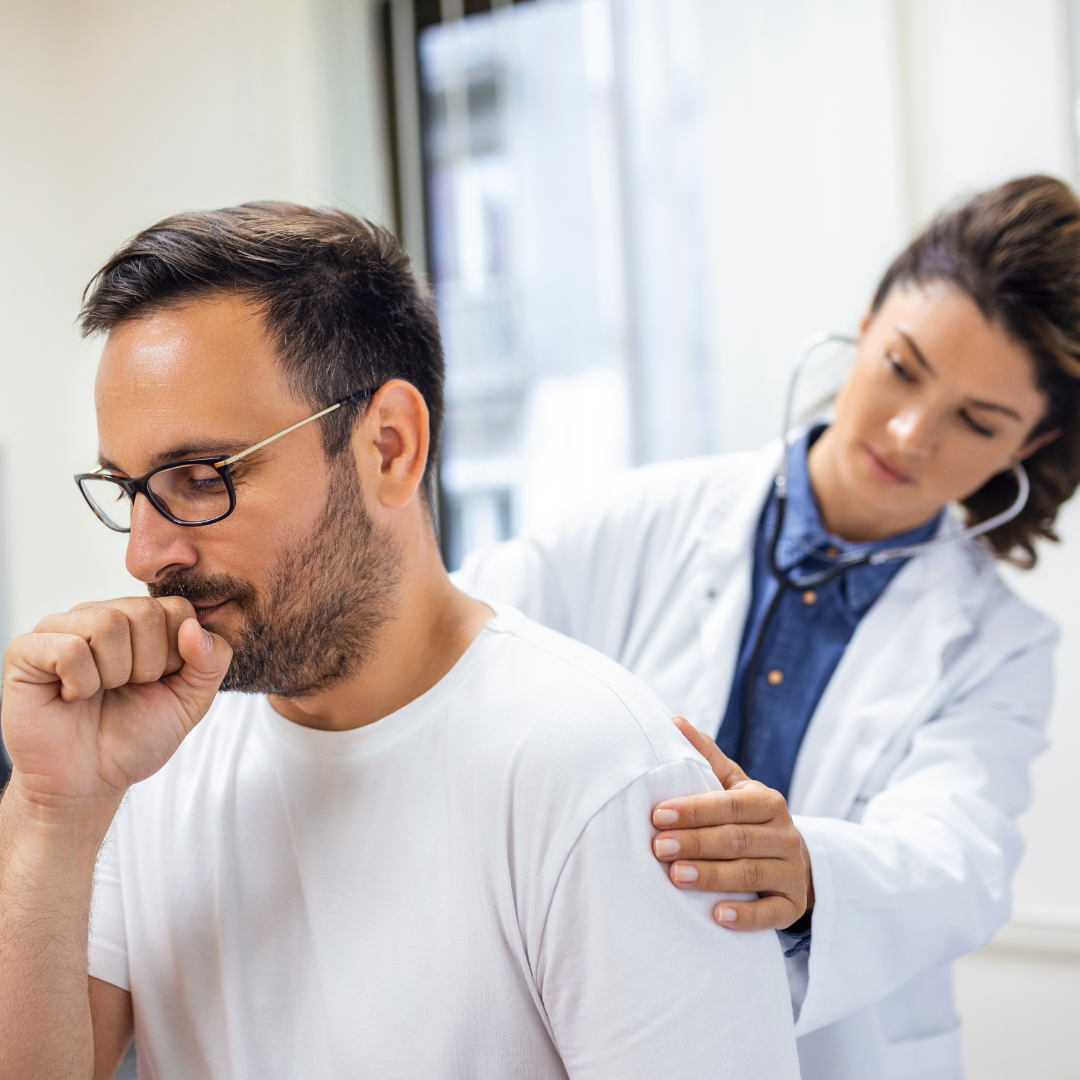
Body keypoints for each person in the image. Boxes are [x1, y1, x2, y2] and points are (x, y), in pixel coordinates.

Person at [0, 205, 800, 1080]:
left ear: (389, 447)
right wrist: (51, 810)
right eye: (130, 491)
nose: (145, 554)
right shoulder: (149, 756)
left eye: (202, 479)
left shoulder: (599, 772)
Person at [454, 174, 1080, 1080]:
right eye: (903, 367)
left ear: (1022, 448)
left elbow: (961, 856)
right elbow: (458, 642)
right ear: (865, 329)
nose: (909, 434)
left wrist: (810, 868)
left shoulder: (998, 645)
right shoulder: (642, 516)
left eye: (976, 422)